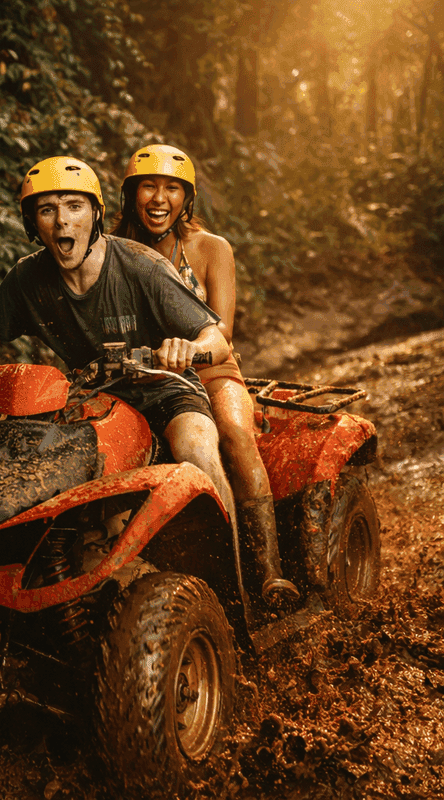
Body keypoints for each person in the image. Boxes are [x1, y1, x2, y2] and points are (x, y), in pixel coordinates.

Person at [0, 155, 237, 526]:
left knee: (198, 451)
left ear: (95, 214)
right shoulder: (27, 278)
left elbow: (217, 339)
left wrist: (189, 349)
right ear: (33, 223)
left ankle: (234, 570)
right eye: (47, 210)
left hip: (167, 390)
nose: (62, 221)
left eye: (74, 207)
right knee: (50, 479)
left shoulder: (142, 265)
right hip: (91, 399)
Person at [111, 143, 299, 605]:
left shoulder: (212, 248)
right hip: (139, 378)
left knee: (234, 433)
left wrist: (190, 350)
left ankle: (265, 572)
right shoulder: (114, 251)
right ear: (130, 195)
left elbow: (224, 330)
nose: (159, 198)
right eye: (148, 187)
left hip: (210, 372)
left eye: (171, 188)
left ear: (186, 199)